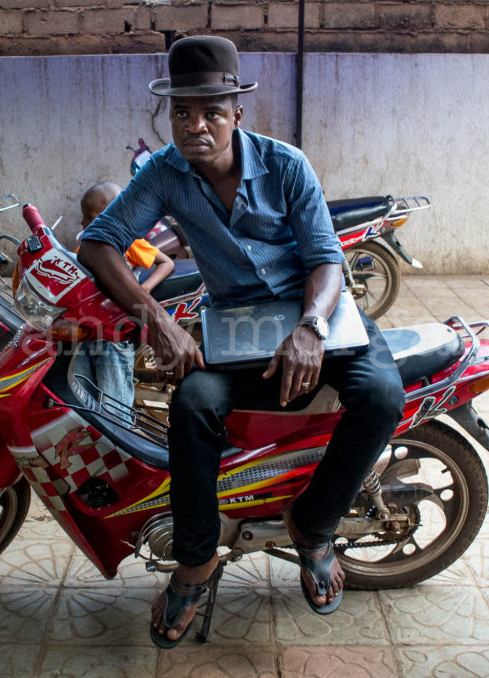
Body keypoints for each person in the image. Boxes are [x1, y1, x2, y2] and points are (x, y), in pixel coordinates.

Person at [77, 35, 404, 648]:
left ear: (237, 115)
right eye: (182, 112)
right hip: (238, 325)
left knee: (382, 395)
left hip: (316, 314)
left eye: (211, 112)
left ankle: (312, 526)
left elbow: (327, 259)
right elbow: (97, 241)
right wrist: (156, 317)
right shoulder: (165, 174)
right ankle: (196, 559)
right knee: (192, 405)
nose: (195, 125)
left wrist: (309, 328)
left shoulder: (286, 165)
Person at [73, 181, 174, 408]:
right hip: (86, 333)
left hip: (114, 335)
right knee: (83, 402)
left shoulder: (128, 243)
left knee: (114, 407)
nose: (82, 222)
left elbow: (166, 263)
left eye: (88, 217)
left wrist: (144, 289)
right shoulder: (84, 250)